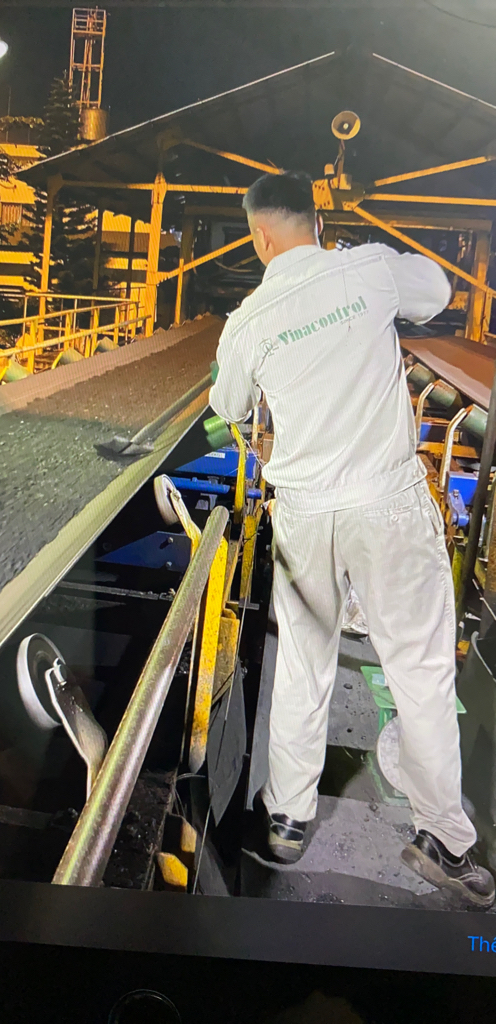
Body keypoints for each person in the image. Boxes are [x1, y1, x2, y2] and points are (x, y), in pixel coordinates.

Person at [209, 170, 495, 908]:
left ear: (259, 236)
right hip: (388, 506)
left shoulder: (249, 318)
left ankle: (287, 821)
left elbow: (229, 402)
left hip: (306, 513)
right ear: (315, 221)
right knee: (420, 673)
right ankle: (445, 842)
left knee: (305, 663)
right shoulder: (365, 269)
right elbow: (435, 289)